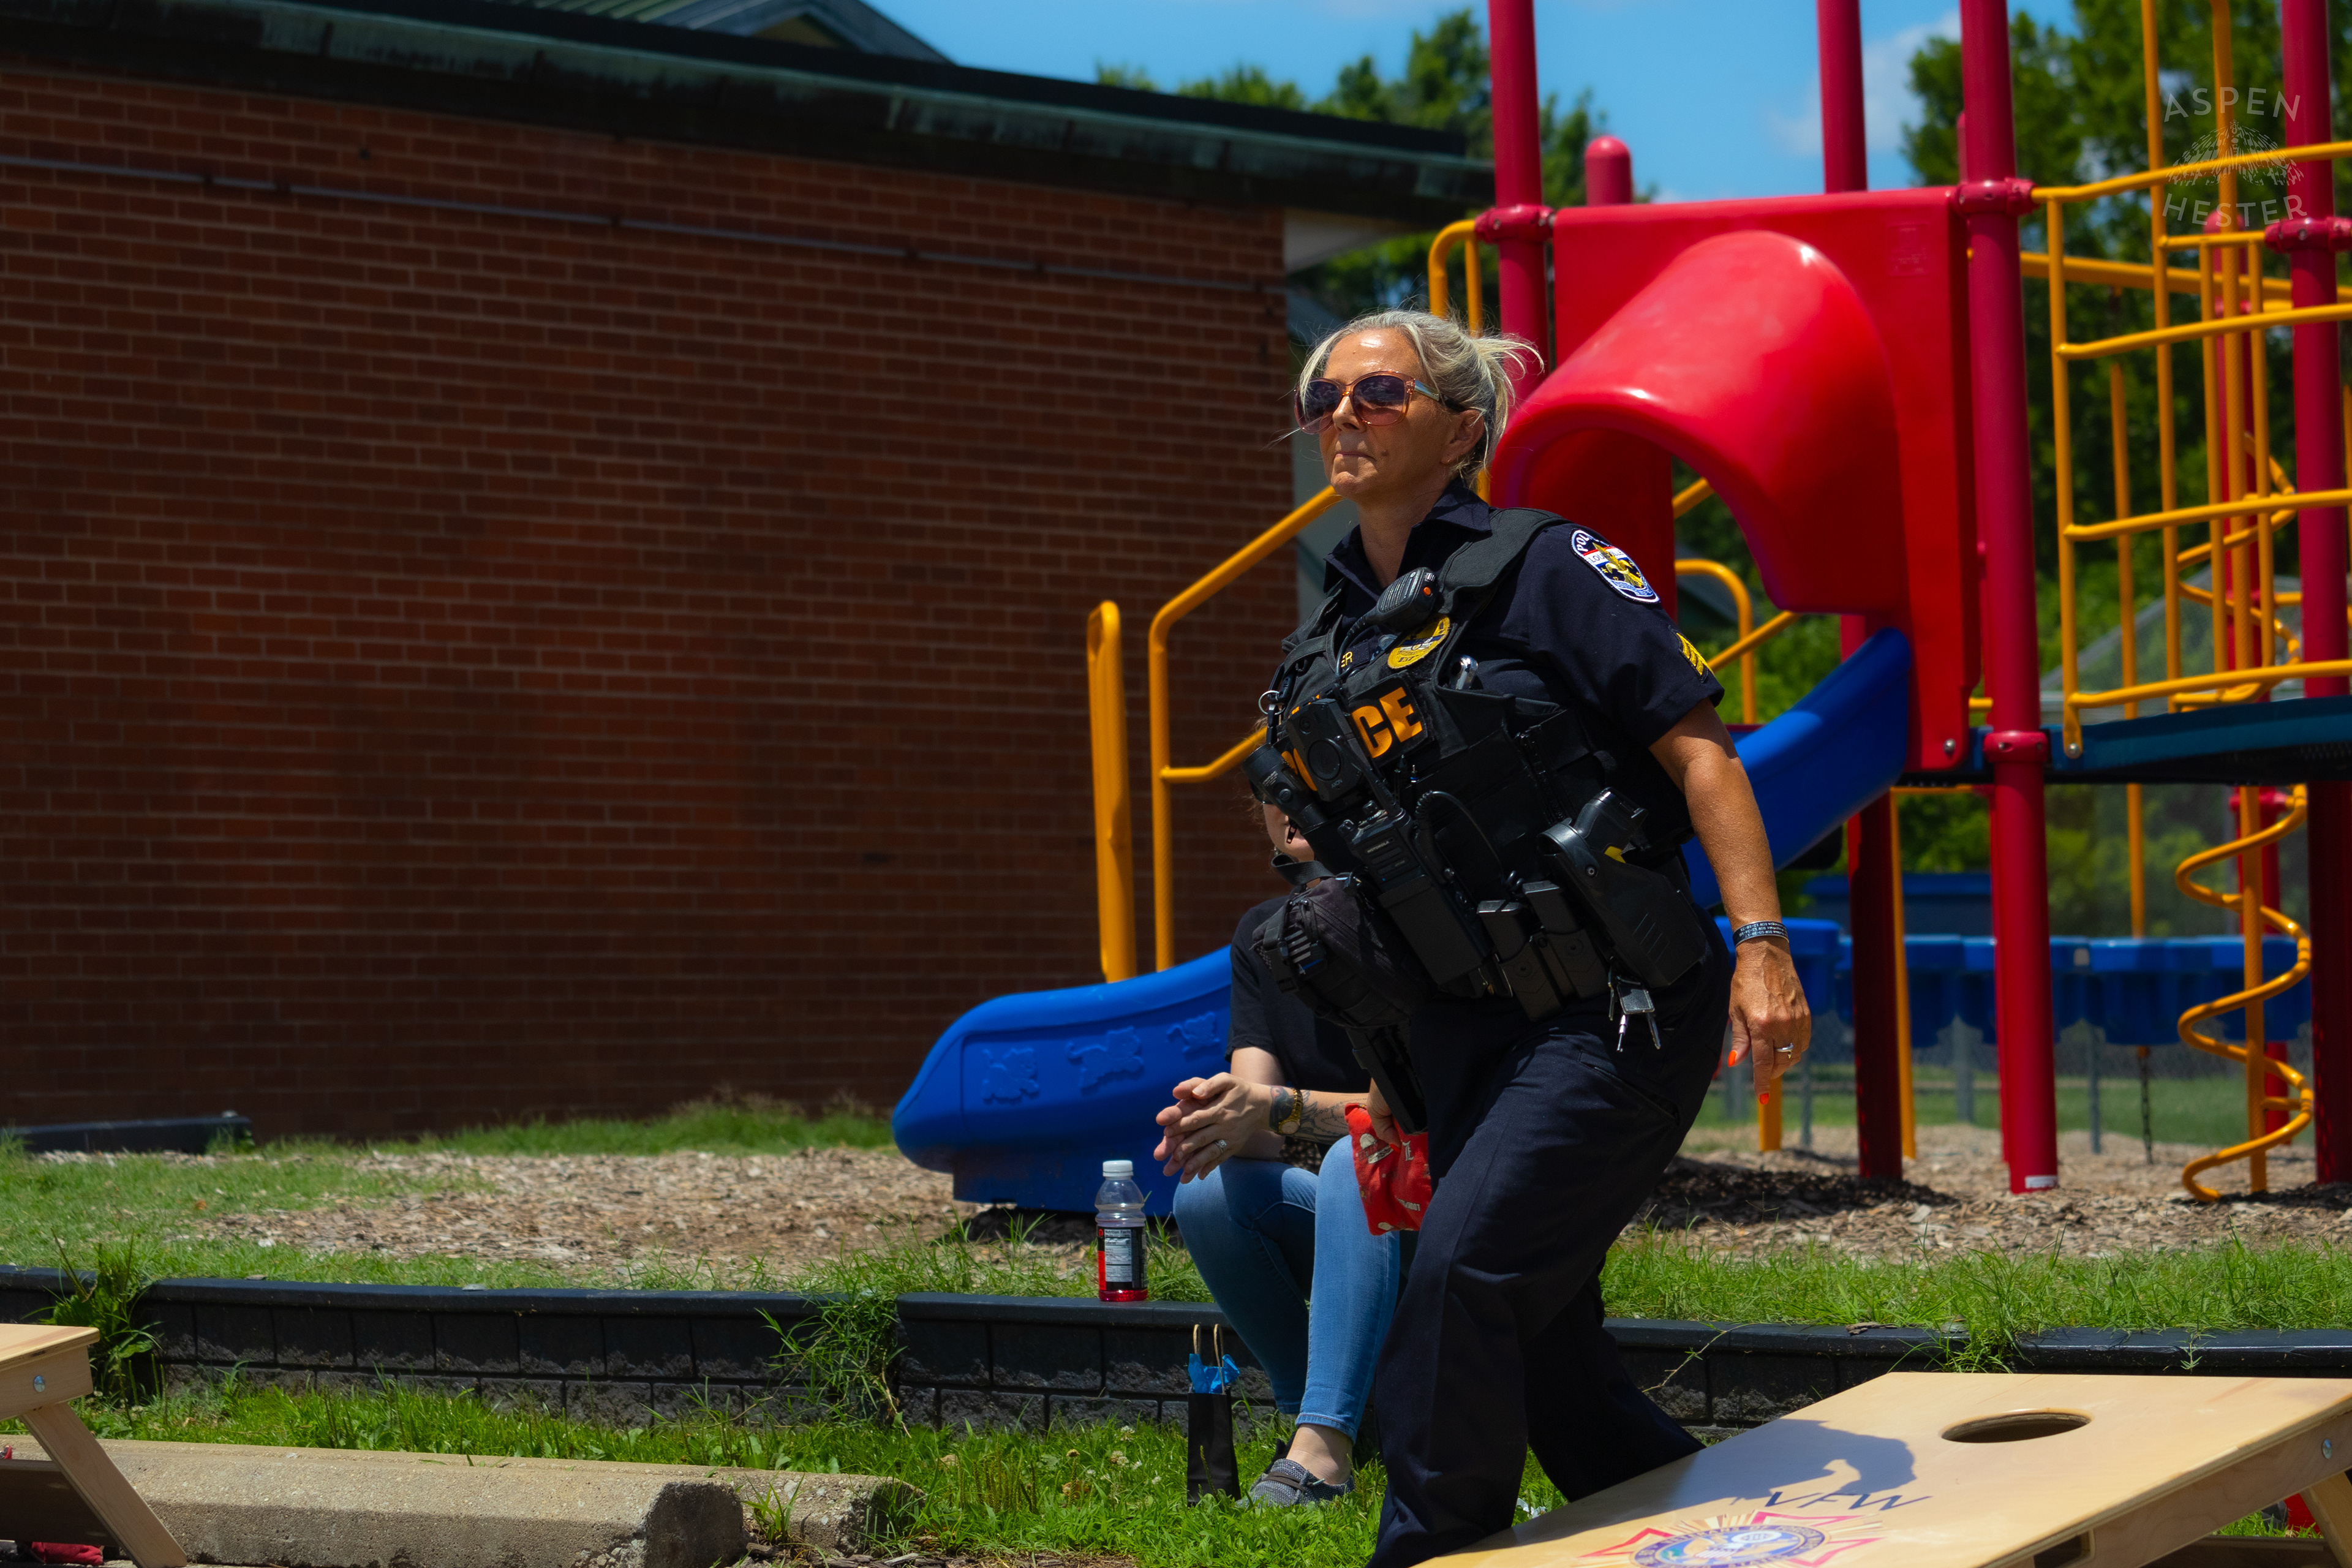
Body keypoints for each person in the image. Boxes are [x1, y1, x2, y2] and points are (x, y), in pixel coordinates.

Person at [1155, 308, 1812, 1568]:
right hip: (1461, 1044)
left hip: (1613, 1008)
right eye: (1325, 394)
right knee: (1553, 1369)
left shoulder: (1550, 566)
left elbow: (1701, 752)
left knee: (1457, 1284)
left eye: (1380, 391)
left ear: (1461, 426)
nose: (1342, 414)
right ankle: (1749, 1547)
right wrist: (1398, 1086)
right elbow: (1364, 903)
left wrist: (1762, 944)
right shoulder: (1322, 649)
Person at [1152, 804, 1403, 1507]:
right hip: (1360, 1216)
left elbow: (1400, 1115)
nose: (1286, 799)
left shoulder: (1413, 923)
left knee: (1355, 1160)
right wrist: (1218, 1115)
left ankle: (1324, 1450)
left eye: (1306, 774)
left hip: (1434, 1205)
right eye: (1271, 784)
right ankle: (1323, 1421)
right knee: (1206, 1194)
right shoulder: (1263, 934)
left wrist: (1274, 1105)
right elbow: (1259, 1109)